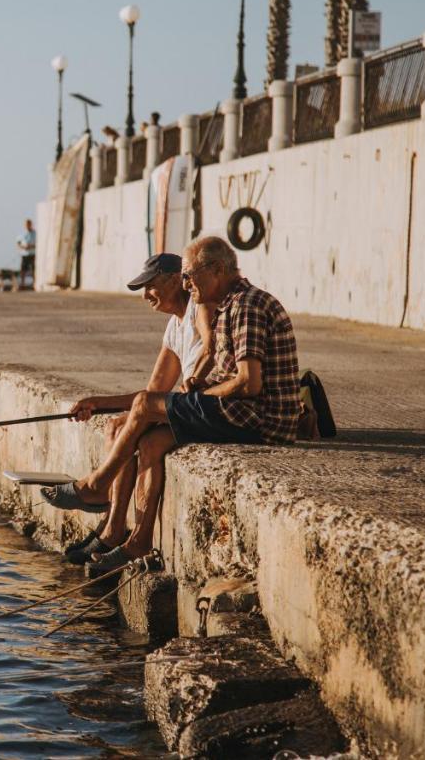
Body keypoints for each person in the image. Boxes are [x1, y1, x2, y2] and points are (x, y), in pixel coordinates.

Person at [44, 235, 300, 572]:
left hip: (258, 418)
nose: (186, 282)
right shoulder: (230, 304)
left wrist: (197, 395)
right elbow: (212, 375)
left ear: (218, 270)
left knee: (146, 407)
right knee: (151, 440)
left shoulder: (245, 306)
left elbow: (248, 383)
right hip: (244, 412)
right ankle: (137, 540)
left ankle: (96, 485)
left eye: (190, 275)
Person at [51, 254, 213, 568]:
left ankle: (99, 489)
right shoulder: (174, 326)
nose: (145, 296)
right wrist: (98, 402)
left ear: (172, 279)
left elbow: (204, 369)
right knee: (117, 427)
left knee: (145, 440)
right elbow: (154, 390)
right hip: (184, 405)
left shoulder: (200, 311)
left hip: (203, 405)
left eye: (150, 286)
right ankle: (113, 531)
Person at [16, 219, 36, 289]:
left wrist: (31, 246)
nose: (27, 226)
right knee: (23, 270)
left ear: (31, 224)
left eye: (29, 224)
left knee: (33, 270)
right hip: (24, 254)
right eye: (26, 224)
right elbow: (18, 243)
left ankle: (34, 284)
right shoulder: (22, 234)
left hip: (33, 253)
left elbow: (39, 243)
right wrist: (23, 247)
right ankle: (22, 284)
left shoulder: (35, 233)